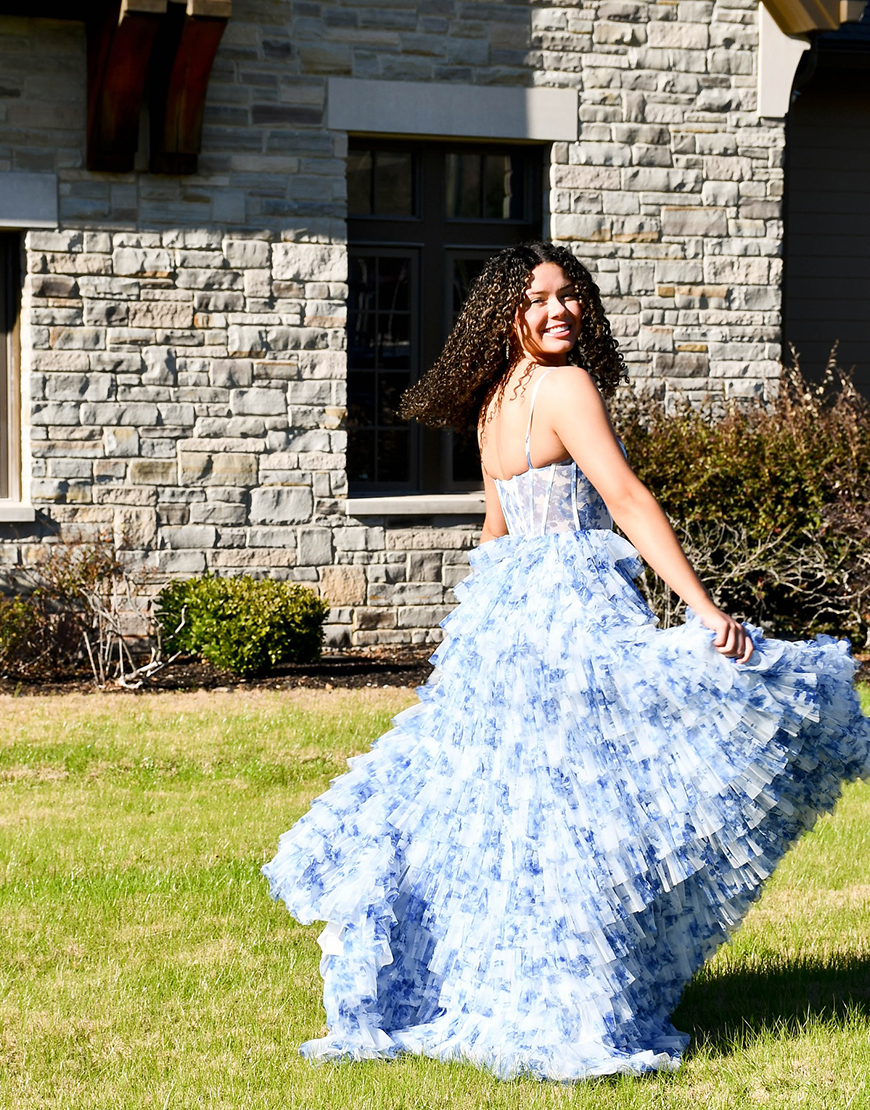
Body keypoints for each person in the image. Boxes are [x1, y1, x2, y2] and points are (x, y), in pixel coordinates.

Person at [262, 241, 870, 1081]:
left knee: (523, 808)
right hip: (562, 619)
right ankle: (570, 1003)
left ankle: (520, 985)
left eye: (569, 297)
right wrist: (703, 610)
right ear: (504, 314)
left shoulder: (494, 400)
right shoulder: (563, 385)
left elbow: (494, 534)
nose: (558, 312)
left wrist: (470, 636)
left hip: (507, 618)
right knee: (587, 800)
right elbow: (624, 497)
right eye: (539, 299)